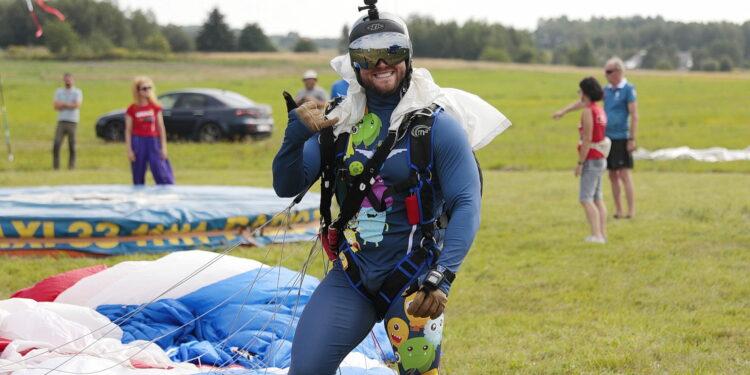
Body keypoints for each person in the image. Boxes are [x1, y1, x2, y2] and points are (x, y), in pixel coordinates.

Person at [273, 5, 483, 375]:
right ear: (354, 63)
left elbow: (466, 201)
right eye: (368, 54)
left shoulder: (435, 127)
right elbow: (286, 186)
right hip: (351, 277)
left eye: (393, 51)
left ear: (408, 57)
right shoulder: (338, 123)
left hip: (415, 280)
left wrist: (443, 276)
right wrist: (294, 138)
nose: (381, 62)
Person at [552, 57, 639, 219]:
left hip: (621, 136)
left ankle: (631, 210)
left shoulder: (628, 89)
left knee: (624, 174)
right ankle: (619, 210)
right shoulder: (606, 91)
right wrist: (563, 111)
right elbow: (584, 101)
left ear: (619, 72)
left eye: (609, 72)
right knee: (612, 175)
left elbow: (634, 115)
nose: (605, 75)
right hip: (606, 138)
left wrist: (631, 138)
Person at [574, 77, 608, 243]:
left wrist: (580, 163)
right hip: (601, 158)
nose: (579, 94)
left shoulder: (588, 111)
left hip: (591, 158)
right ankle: (602, 233)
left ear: (585, 93)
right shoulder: (599, 110)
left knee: (585, 199)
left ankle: (596, 235)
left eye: (580, 91)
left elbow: (587, 138)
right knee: (597, 198)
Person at [124, 76, 174, 185]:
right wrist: (129, 150)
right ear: (138, 91)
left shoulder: (155, 107)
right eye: (144, 88)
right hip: (138, 141)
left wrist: (164, 147)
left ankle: (166, 193)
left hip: (153, 141)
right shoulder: (132, 109)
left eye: (149, 88)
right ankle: (139, 195)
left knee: (160, 169)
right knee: (138, 171)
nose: (147, 91)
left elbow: (161, 127)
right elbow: (128, 130)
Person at [52, 72, 82, 170]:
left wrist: (63, 105)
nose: (68, 81)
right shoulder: (59, 92)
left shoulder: (77, 92)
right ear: (64, 80)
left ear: (73, 80)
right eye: (66, 79)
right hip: (61, 121)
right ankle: (56, 167)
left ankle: (71, 167)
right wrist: (70, 105)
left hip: (73, 121)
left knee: (72, 145)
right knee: (56, 143)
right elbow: (56, 106)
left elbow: (77, 105)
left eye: (69, 79)